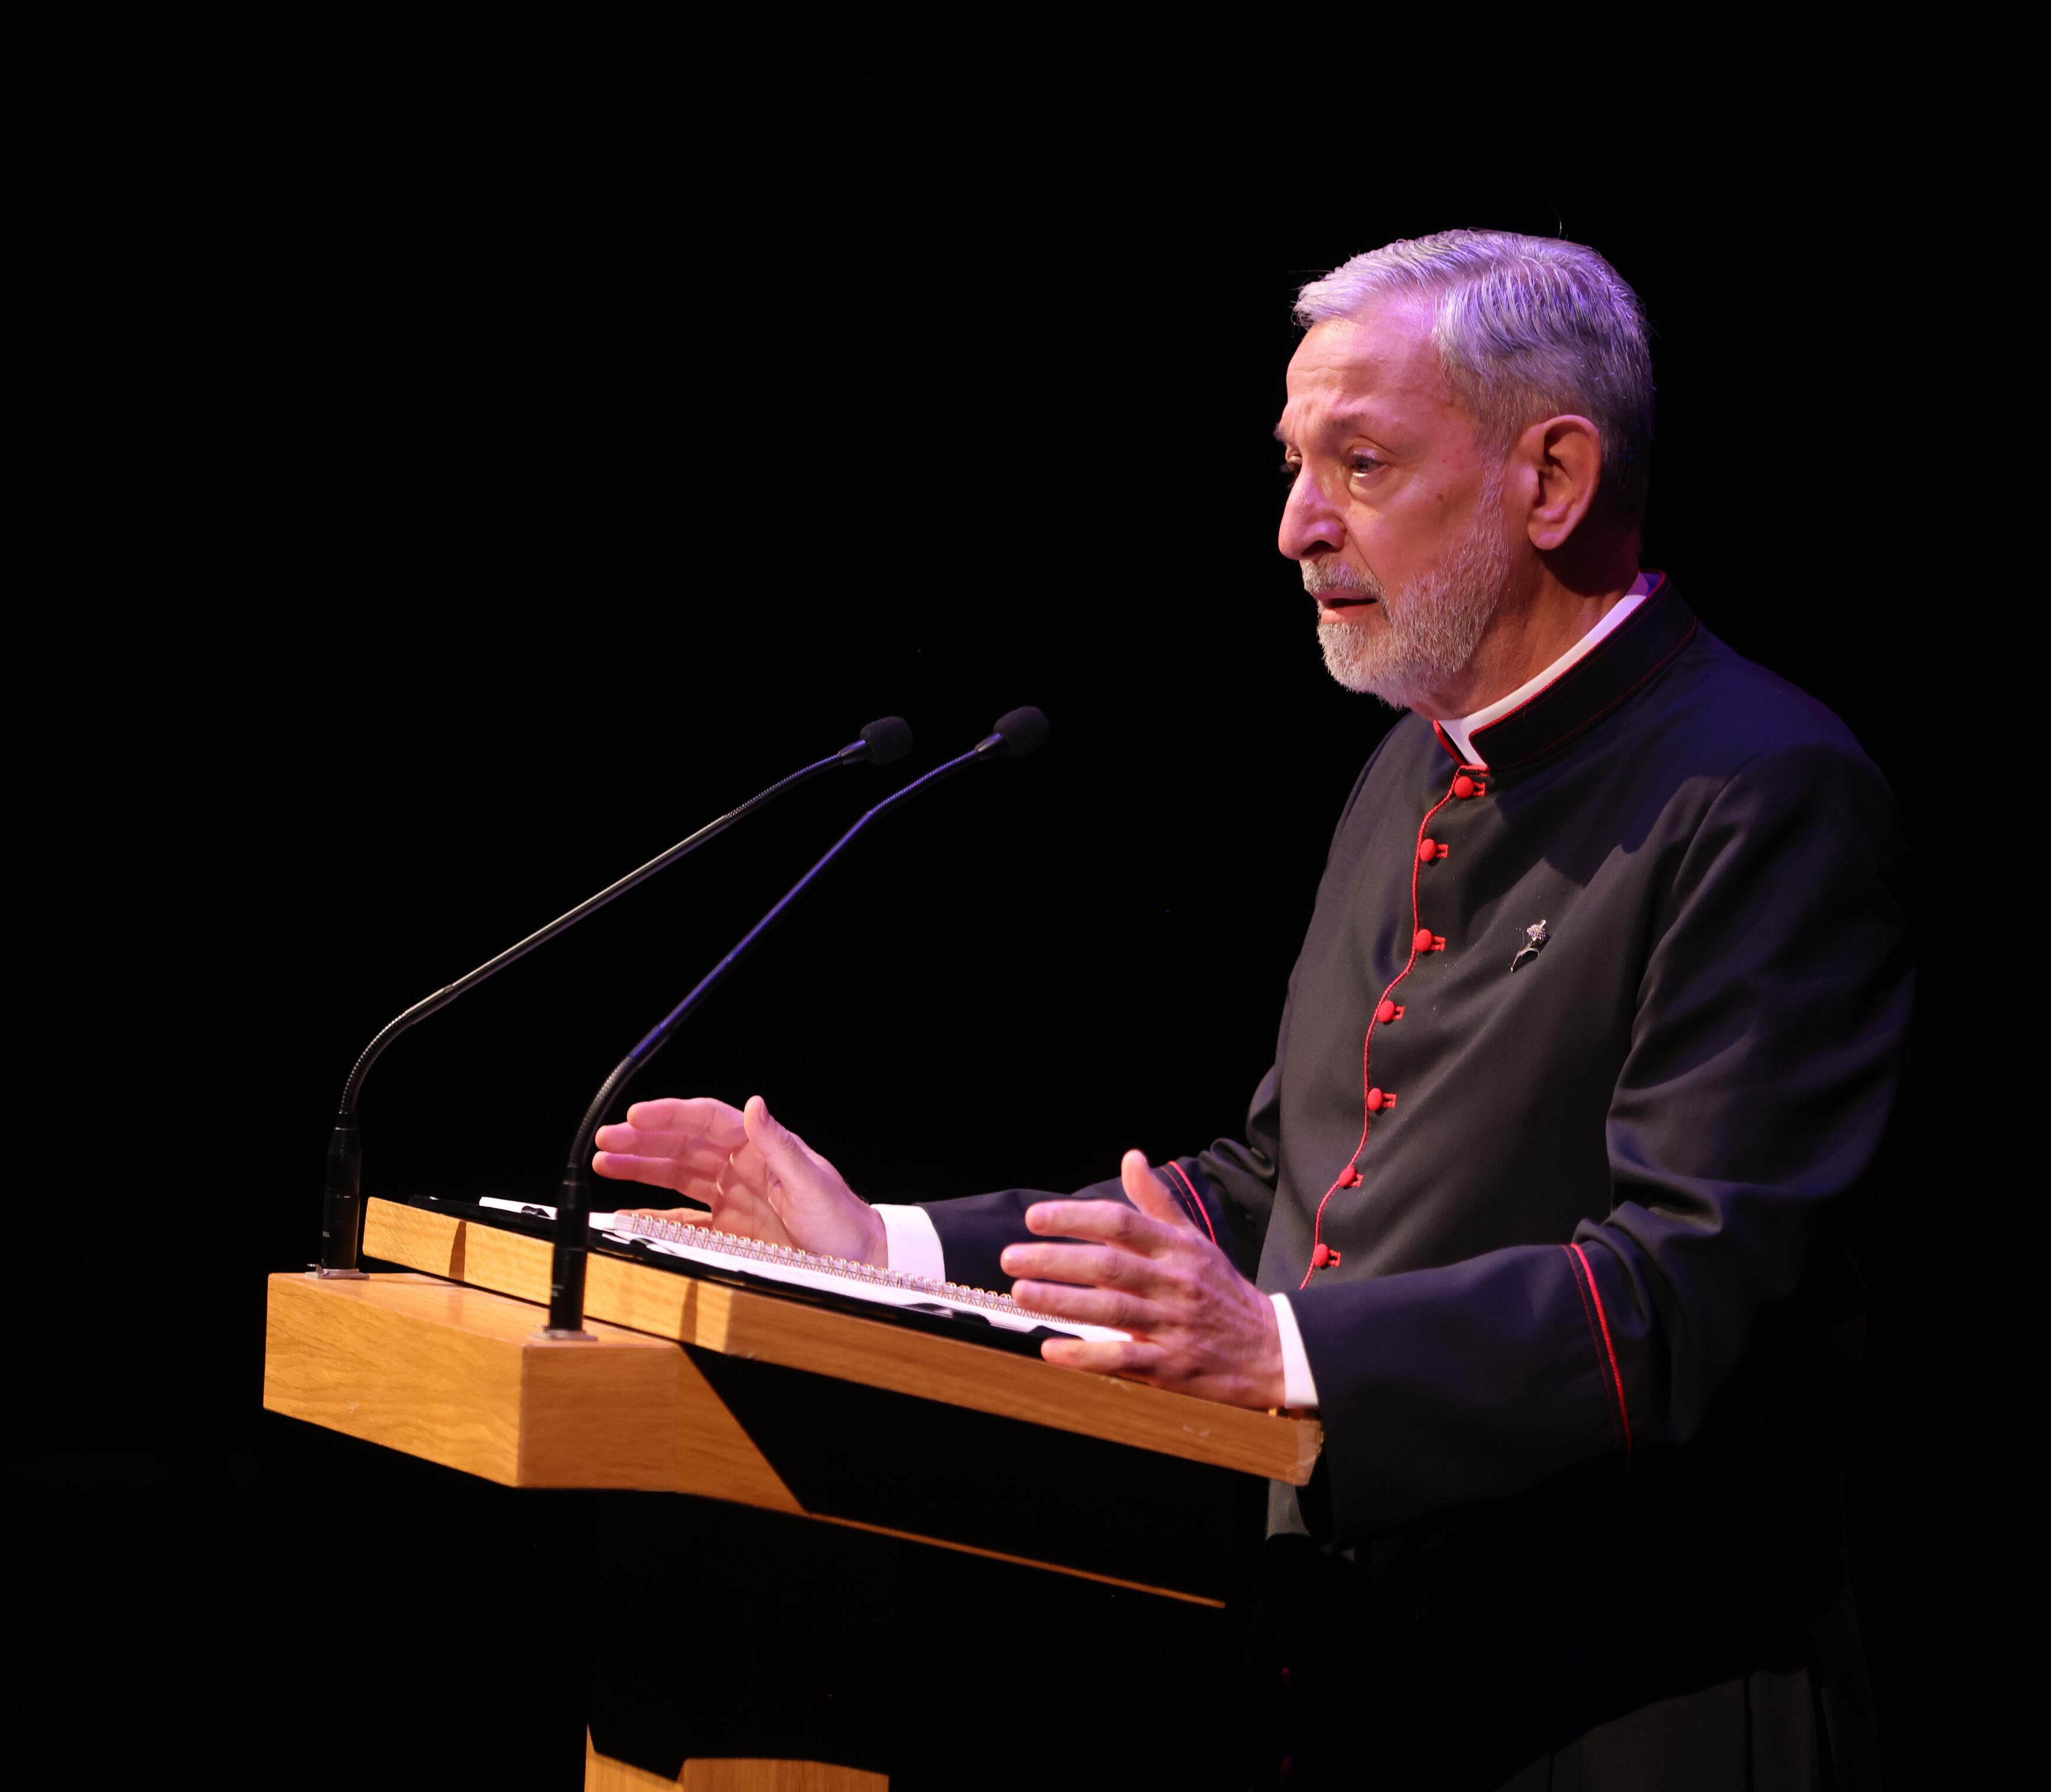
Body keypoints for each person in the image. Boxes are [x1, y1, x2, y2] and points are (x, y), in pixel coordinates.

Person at [593, 230, 1913, 1789]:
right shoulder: (1410, 764)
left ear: (1551, 479)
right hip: (1361, 1687)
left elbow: (1689, 1291)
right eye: (1294, 466)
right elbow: (1282, 1184)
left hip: (1634, 1707)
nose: (1297, 526)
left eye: (1361, 464)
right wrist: (888, 1253)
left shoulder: (1764, 788)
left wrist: (1277, 1345)